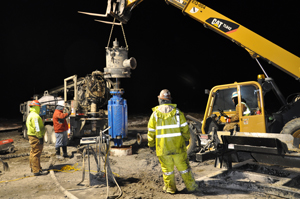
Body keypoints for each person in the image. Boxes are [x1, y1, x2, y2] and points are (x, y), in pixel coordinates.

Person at [147, 89, 198, 194]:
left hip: (163, 149)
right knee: (184, 168)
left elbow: (151, 133)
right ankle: (192, 187)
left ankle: (171, 189)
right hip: (178, 148)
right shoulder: (178, 113)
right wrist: (184, 141)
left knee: (167, 171)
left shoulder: (155, 115)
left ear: (160, 100)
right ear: (170, 100)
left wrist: (151, 145)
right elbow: (185, 130)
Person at [26, 100, 48, 176]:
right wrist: (40, 137)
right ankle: (36, 170)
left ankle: (35, 168)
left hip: (32, 136)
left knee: (33, 152)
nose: (40, 109)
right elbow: (37, 128)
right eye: (39, 107)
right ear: (36, 107)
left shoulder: (30, 115)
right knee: (36, 153)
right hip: (35, 136)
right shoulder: (35, 116)